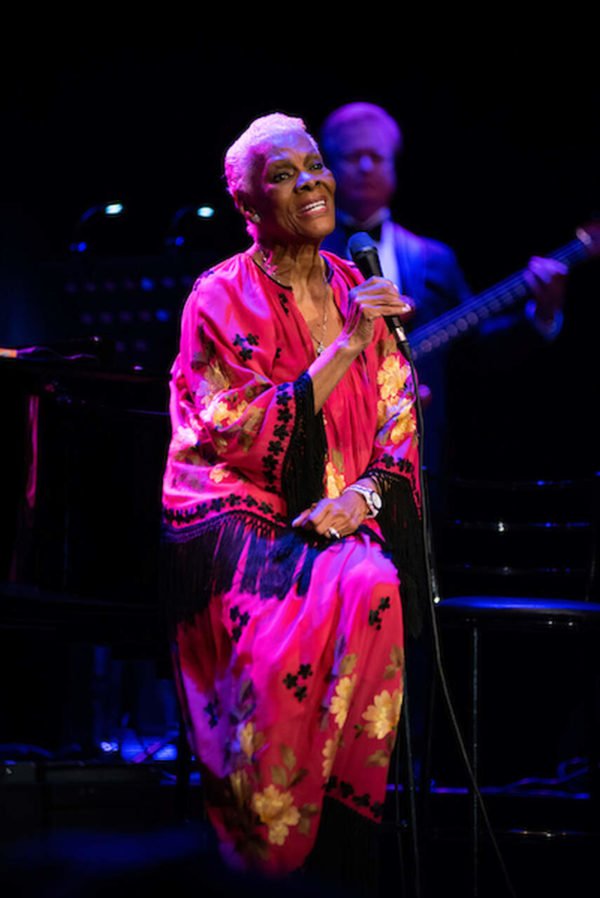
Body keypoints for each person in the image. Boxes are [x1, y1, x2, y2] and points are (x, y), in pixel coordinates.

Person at [160, 112, 426, 891]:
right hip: (239, 522)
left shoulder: (356, 286)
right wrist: (345, 344)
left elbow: (399, 421)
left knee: (372, 581)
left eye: (314, 166)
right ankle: (266, 855)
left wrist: (364, 499)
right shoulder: (219, 297)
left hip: (339, 522)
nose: (310, 181)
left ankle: (341, 853)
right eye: (282, 175)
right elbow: (231, 428)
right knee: (283, 647)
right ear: (248, 206)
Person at [319, 101, 568, 502]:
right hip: (326, 447)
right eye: (352, 156)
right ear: (328, 169)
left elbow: (479, 347)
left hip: (416, 453)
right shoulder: (304, 256)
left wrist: (542, 312)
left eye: (376, 156)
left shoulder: (433, 259)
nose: (365, 167)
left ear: (394, 166)